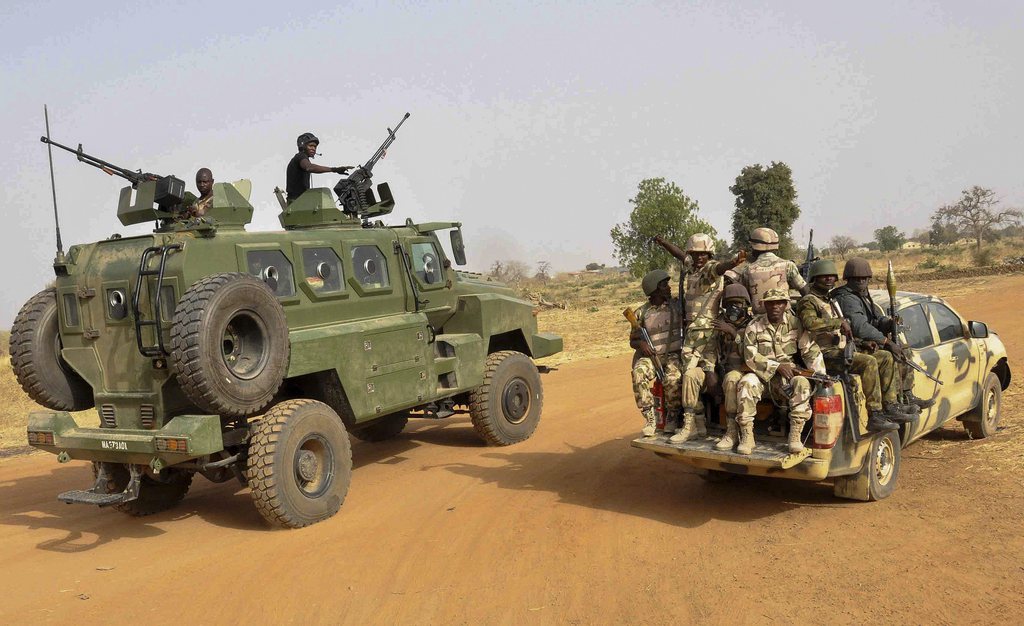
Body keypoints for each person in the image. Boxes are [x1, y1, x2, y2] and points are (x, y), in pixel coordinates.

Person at [796, 260, 907, 433]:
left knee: (885, 357)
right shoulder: (809, 301)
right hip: (824, 354)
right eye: (823, 276)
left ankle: (891, 406)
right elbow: (809, 322)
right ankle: (875, 414)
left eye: (832, 276)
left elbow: (844, 333)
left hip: (841, 349)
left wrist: (862, 343)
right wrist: (837, 323)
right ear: (814, 279)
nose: (829, 280)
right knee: (868, 362)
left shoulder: (830, 300)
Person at [652, 234, 744, 441]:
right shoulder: (691, 266)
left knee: (694, 375)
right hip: (693, 331)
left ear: (709, 254)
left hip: (705, 330)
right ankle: (699, 422)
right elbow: (680, 255)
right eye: (694, 254)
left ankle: (697, 422)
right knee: (696, 375)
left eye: (702, 253)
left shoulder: (710, 269)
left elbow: (720, 268)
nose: (698, 257)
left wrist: (734, 262)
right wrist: (664, 241)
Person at [831, 258, 935, 410]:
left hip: (866, 341)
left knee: (903, 349)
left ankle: (906, 395)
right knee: (889, 355)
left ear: (868, 279)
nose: (861, 281)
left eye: (864, 278)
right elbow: (860, 327)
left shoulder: (862, 295)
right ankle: (891, 403)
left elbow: (875, 319)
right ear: (848, 279)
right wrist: (886, 341)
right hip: (854, 344)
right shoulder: (847, 298)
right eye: (856, 279)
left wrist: (888, 323)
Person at [737, 288, 826, 455]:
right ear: (764, 305)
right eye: (771, 303)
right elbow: (750, 357)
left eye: (779, 302)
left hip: (788, 379)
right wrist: (776, 366)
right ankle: (747, 435)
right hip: (762, 378)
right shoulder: (754, 326)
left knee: (802, 383)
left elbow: (809, 351)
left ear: (786, 304)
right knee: (746, 382)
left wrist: (820, 374)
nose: (775, 306)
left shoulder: (795, 323)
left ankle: (795, 435)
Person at [630, 270, 684, 437]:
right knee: (638, 373)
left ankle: (672, 416)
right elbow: (632, 340)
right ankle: (650, 418)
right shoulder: (641, 313)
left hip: (673, 355)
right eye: (664, 285)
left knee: (673, 378)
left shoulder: (676, 306)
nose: (668, 288)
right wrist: (642, 343)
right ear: (653, 289)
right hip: (652, 357)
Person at [708, 284, 755, 451]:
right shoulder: (718, 324)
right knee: (728, 379)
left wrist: (734, 334)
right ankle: (731, 431)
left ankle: (742, 433)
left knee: (736, 380)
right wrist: (710, 372)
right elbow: (710, 349)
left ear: (746, 305)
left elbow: (753, 353)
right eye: (728, 304)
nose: (733, 308)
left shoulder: (753, 324)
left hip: (749, 371)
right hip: (725, 369)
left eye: (737, 303)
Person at [724, 227, 808, 314]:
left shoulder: (748, 270)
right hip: (785, 320)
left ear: (754, 247)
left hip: (758, 321)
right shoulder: (788, 266)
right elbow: (805, 291)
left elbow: (745, 297)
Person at [286, 132, 353, 204]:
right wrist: (334, 169)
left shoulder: (301, 158)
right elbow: (309, 167)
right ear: (302, 146)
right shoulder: (300, 157)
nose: (313, 149)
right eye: (311, 146)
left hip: (300, 201)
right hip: (297, 202)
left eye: (315, 147)